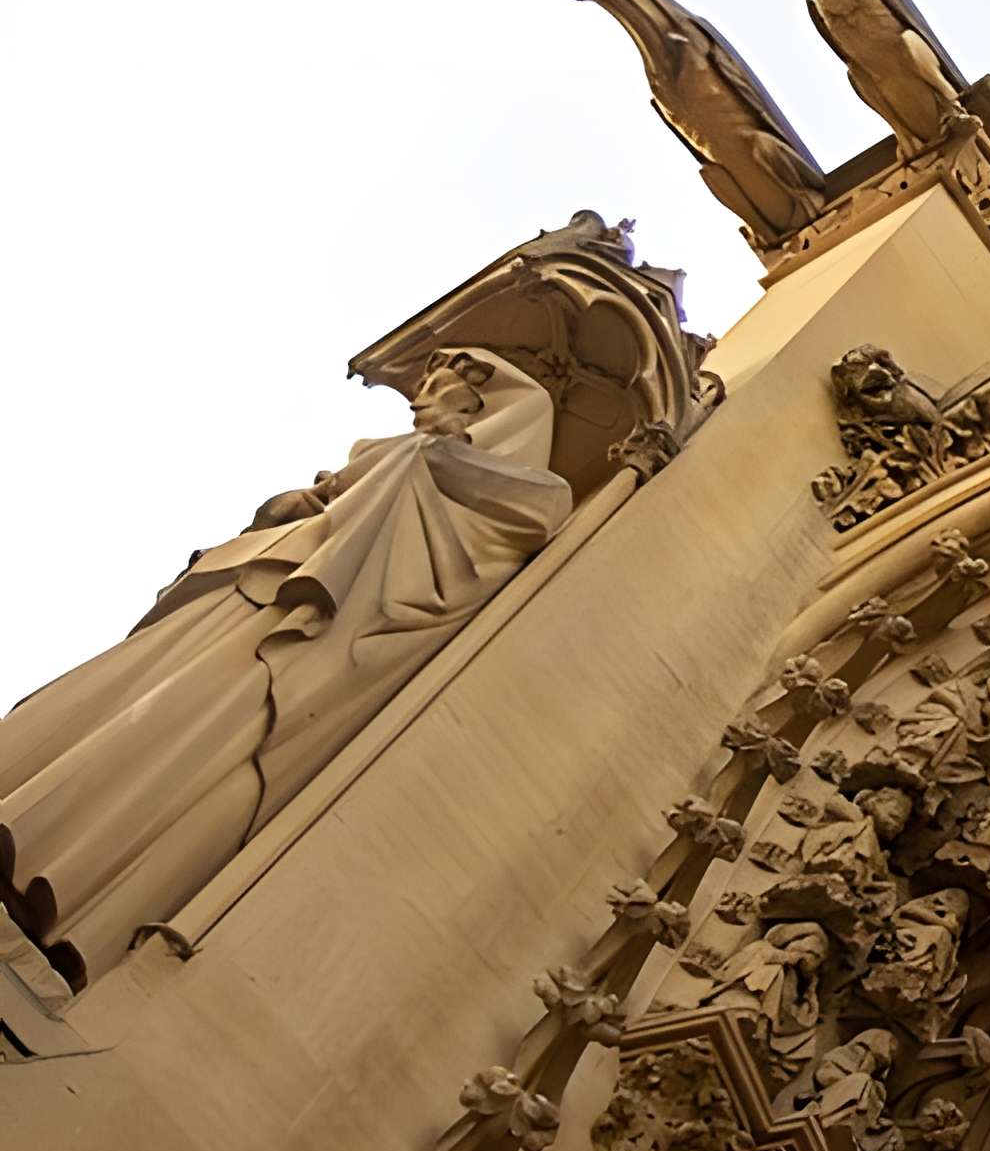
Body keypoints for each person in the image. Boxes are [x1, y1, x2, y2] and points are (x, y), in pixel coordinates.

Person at [0, 349, 571, 984]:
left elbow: (435, 552)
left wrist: (368, 475)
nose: (416, 402)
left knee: (180, 742)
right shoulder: (377, 465)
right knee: (117, 708)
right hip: (257, 600)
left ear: (487, 408)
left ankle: (50, 891)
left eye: (435, 388)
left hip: (303, 648)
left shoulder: (527, 497)